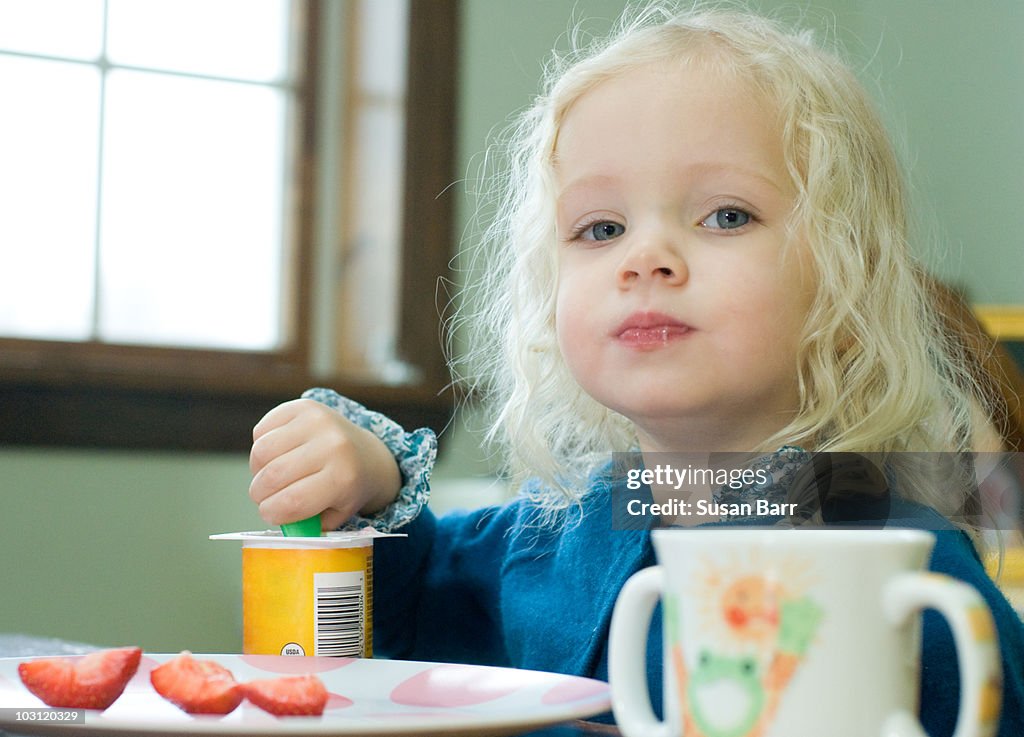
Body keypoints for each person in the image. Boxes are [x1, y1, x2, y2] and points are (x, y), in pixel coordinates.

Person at [247, 3, 1024, 734]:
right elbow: (410, 600)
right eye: (601, 227)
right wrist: (375, 478)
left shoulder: (902, 563)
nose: (644, 258)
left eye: (726, 215)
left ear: (847, 278)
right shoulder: (543, 540)